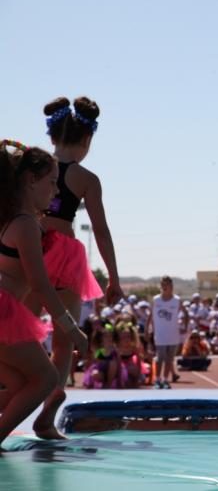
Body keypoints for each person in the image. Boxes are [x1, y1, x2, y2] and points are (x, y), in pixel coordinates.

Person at [20, 98, 122, 438]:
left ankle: (24, 393)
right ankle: (46, 414)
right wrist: (115, 278)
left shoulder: (30, 166)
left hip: (30, 250)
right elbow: (102, 230)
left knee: (16, 328)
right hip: (64, 256)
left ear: (52, 137)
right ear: (87, 141)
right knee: (65, 340)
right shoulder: (85, 177)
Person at [0, 141, 88, 445]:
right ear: (30, 181)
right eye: (52, 182)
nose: (56, 190)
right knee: (47, 378)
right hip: (3, 311)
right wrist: (71, 328)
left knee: (19, 386)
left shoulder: (12, 220)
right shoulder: (25, 225)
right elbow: (40, 285)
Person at [146, 275, 188, 389]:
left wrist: (185, 326)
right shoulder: (156, 300)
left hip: (173, 334)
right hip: (160, 334)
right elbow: (150, 315)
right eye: (162, 284)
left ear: (171, 286)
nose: (164, 287)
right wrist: (146, 329)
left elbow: (186, 313)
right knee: (160, 358)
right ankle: (157, 379)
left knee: (169, 359)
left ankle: (165, 379)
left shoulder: (177, 300)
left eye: (166, 284)